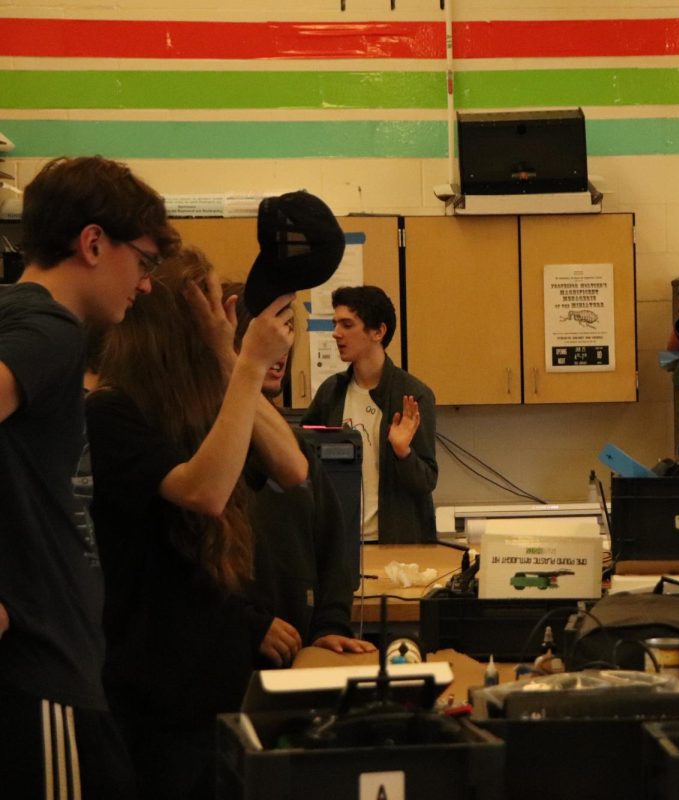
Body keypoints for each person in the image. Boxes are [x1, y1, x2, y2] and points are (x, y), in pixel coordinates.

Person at [86, 246, 303, 799]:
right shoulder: (111, 413)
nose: (225, 315)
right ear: (176, 321)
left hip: (215, 696)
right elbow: (203, 492)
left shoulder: (207, 407)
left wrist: (232, 361)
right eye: (212, 304)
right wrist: (249, 364)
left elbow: (292, 466)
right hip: (151, 705)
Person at [0, 155, 178, 798]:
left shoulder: (19, 317)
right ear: (94, 243)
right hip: (43, 677)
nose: (148, 283)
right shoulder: (50, 329)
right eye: (145, 260)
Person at [226, 281, 375, 656]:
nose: (282, 352)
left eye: (288, 334)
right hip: (233, 662)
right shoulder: (208, 445)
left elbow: (333, 548)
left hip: (303, 658)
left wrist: (329, 626)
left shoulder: (298, 447)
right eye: (269, 337)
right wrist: (247, 624)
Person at [302, 285, 438, 543]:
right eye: (335, 324)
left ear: (378, 331)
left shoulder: (412, 395)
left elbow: (426, 481)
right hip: (340, 543)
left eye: (347, 324)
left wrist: (402, 452)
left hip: (395, 545)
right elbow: (305, 463)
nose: (335, 334)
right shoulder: (331, 393)